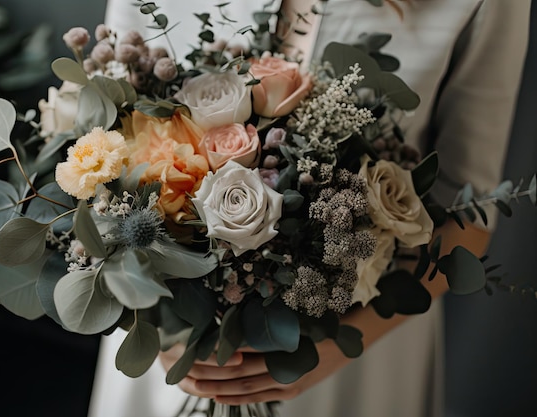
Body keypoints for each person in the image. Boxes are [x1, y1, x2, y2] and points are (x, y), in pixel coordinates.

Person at [89, 1, 531, 416]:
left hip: (350, 347)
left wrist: (332, 349)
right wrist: (149, 319)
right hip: (165, 328)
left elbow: (469, 212)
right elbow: (96, 141)